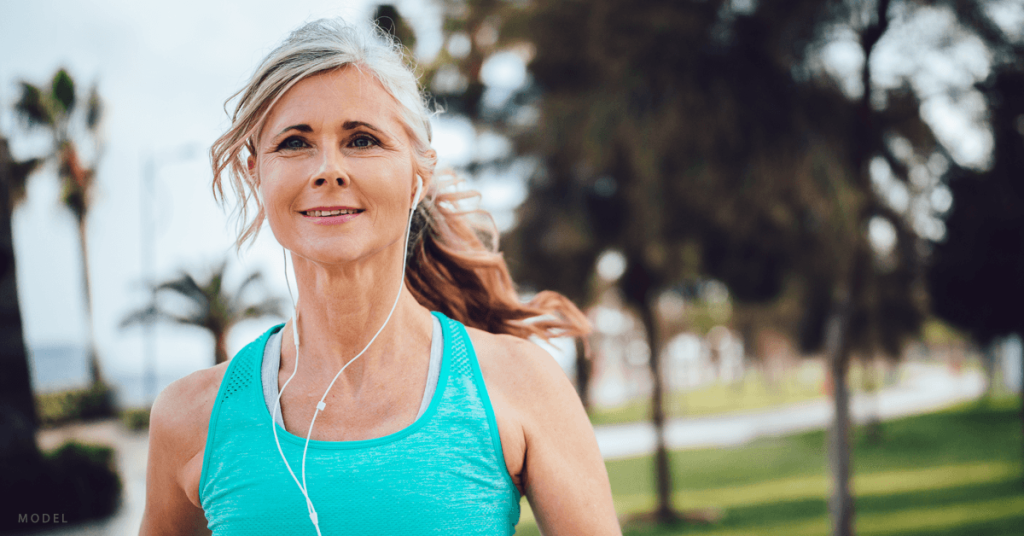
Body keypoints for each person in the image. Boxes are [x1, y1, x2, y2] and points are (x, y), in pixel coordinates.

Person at [139, 17, 620, 536]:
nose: (328, 169)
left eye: (363, 140)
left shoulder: (521, 385)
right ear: (256, 173)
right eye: (295, 143)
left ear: (420, 174)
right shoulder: (190, 420)